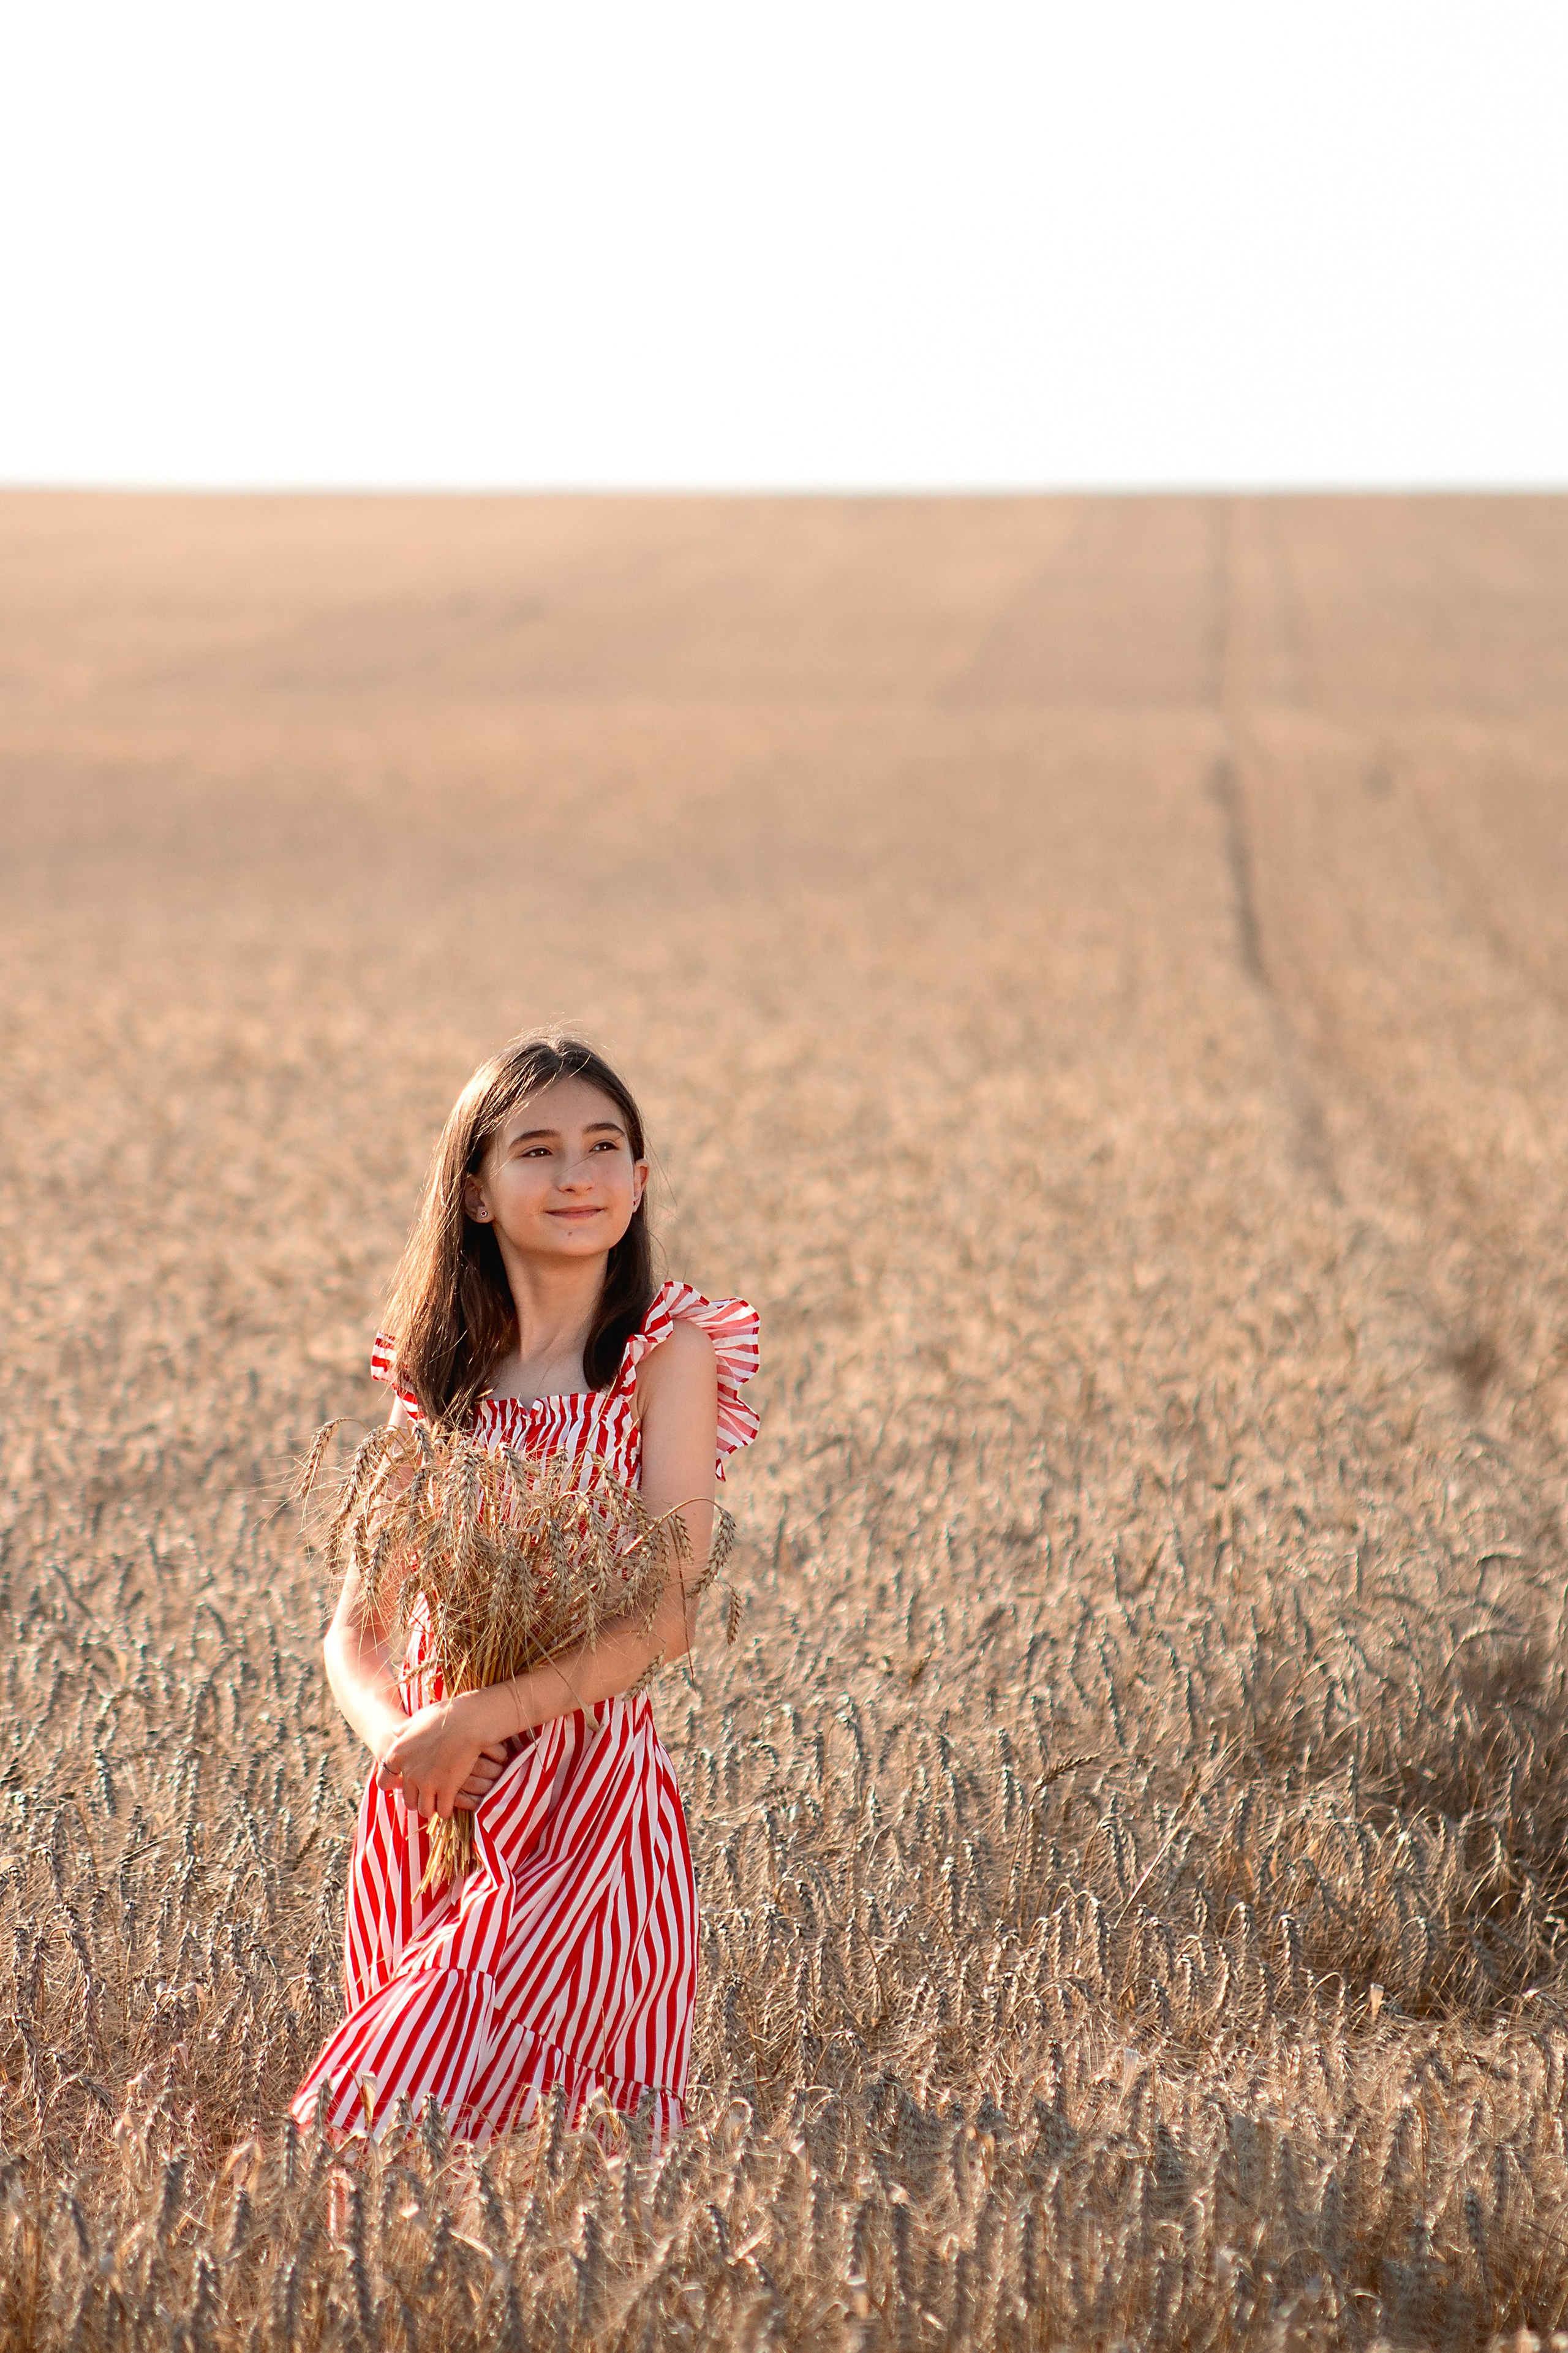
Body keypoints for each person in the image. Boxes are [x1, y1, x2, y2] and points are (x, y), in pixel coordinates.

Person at [290, 1033, 760, 2152]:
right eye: (537, 1150)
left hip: (587, 1807)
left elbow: (667, 1612)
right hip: (432, 1807)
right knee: (417, 2160)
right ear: (477, 1191)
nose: (577, 1175)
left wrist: (478, 1717)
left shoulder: (666, 1355)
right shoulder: (435, 1372)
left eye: (605, 1147)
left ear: (639, 1182)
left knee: (401, 2120)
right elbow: (356, 1630)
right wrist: (407, 1739)